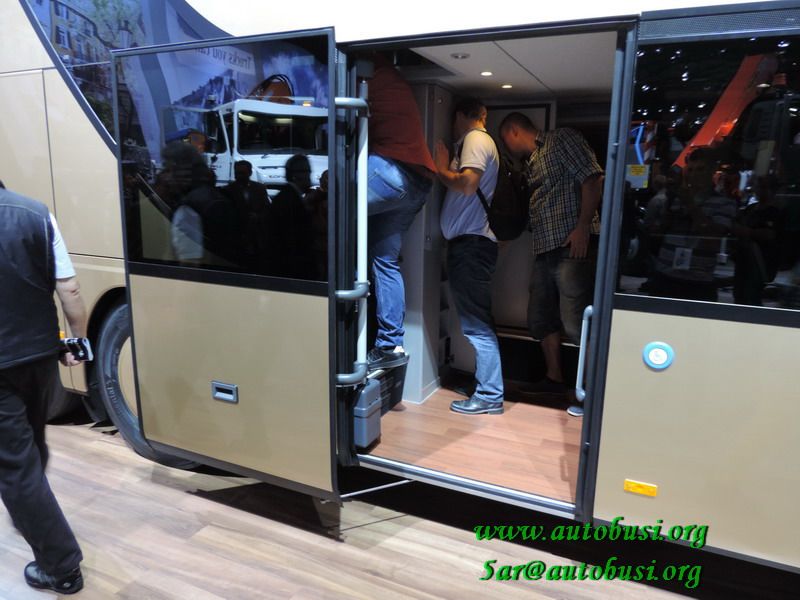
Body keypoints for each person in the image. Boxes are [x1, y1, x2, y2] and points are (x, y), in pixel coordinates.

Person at [0, 185, 87, 594]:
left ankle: (61, 567)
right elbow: (69, 288)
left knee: (15, 466)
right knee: (32, 440)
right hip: (40, 356)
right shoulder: (35, 213)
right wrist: (78, 340)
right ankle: (30, 512)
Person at [499, 112, 604, 418]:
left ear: (513, 131)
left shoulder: (561, 139)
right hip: (545, 249)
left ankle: (594, 392)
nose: (506, 146)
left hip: (572, 245)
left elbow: (593, 178)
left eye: (504, 139)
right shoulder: (531, 162)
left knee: (576, 321)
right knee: (540, 317)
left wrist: (582, 227)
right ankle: (555, 379)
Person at [364, 52, 437, 371]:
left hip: (391, 170)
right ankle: (390, 345)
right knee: (384, 258)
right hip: (418, 182)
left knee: (335, 212)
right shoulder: (389, 78)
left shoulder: (364, 76)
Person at [435, 98, 503, 415]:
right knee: (478, 321)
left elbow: (466, 185)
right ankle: (486, 387)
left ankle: (490, 395)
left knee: (477, 325)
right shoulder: (480, 142)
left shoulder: (475, 139)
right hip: (472, 245)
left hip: (471, 247)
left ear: (462, 115)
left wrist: (439, 168)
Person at [647, 147, 737, 302]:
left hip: (698, 281)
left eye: (700, 169)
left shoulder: (724, 203)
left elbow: (712, 238)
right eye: (690, 170)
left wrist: (690, 204)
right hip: (665, 275)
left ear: (712, 170)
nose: (694, 175)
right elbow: (660, 232)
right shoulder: (675, 199)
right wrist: (670, 201)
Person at [270, 154, 315, 279]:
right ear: (295, 175)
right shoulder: (288, 200)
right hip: (292, 271)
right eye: (307, 171)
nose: (309, 175)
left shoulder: (289, 197)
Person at [222, 160, 270, 271]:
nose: (239, 176)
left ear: (249, 173)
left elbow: (267, 209)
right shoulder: (228, 190)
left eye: (242, 173)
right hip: (237, 236)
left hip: (256, 236)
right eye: (237, 173)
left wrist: (258, 217)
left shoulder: (259, 189)